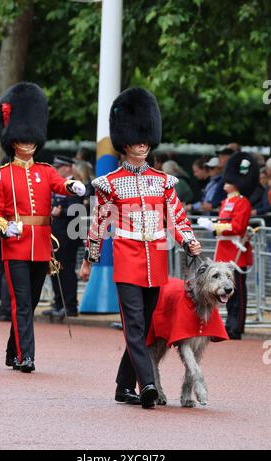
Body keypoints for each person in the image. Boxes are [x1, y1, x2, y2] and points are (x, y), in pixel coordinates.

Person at [79, 87, 202, 409]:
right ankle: (146, 383)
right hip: (127, 259)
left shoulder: (163, 182)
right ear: (124, 144)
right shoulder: (110, 183)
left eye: (145, 140)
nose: (142, 145)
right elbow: (100, 222)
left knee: (144, 327)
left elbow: (176, 217)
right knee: (134, 324)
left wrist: (190, 244)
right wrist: (89, 260)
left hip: (156, 260)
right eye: (136, 141)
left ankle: (123, 385)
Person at [0, 82, 86, 373]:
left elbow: (58, 183)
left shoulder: (45, 171)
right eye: (22, 139)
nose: (28, 144)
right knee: (23, 302)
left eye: (32, 140)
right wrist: (5, 227)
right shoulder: (0, 175)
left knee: (27, 301)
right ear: (13, 140)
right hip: (15, 245)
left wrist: (71, 186)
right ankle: (26, 356)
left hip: (41, 244)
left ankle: (12, 352)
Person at [198, 152, 259, 340]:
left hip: (237, 253)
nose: (225, 183)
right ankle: (226, 326)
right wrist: (214, 224)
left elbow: (237, 227)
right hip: (224, 251)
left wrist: (215, 226)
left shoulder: (242, 202)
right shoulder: (226, 202)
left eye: (228, 181)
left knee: (236, 294)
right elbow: (226, 222)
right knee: (223, 293)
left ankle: (235, 327)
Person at [42, 154, 84, 318]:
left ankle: (70, 306)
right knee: (54, 270)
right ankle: (58, 303)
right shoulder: (58, 185)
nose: (56, 170)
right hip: (55, 235)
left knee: (66, 272)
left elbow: (77, 209)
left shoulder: (74, 186)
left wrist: (61, 211)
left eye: (58, 168)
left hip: (68, 235)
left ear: (67, 168)